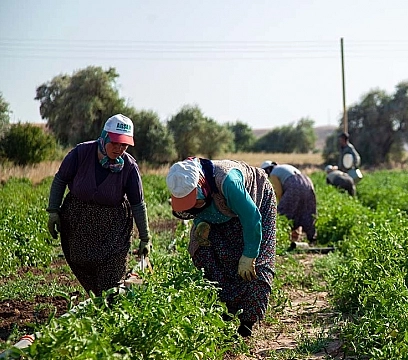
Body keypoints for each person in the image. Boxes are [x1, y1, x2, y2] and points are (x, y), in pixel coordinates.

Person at [167, 157, 277, 337]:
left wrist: (249, 254)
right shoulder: (183, 183)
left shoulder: (228, 181)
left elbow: (251, 218)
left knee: (257, 266)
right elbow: (191, 208)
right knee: (204, 254)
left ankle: (246, 326)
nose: (192, 207)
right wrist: (202, 221)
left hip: (255, 205)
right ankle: (223, 315)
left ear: (202, 185)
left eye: (194, 201)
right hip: (222, 213)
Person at [46, 114, 151, 296]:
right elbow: (60, 179)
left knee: (111, 282)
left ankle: (111, 306)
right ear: (104, 137)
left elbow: (138, 204)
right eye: (115, 143)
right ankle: (99, 307)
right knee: (84, 268)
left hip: (113, 229)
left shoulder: (129, 167)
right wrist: (53, 211)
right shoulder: (81, 153)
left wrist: (145, 237)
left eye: (124, 145)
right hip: (79, 224)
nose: (119, 149)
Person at [260, 160, 317, 243]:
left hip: (294, 185)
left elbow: (279, 192)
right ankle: (312, 238)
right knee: (306, 210)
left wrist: (279, 203)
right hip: (307, 183)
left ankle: (281, 238)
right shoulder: (284, 167)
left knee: (284, 212)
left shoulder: (273, 173)